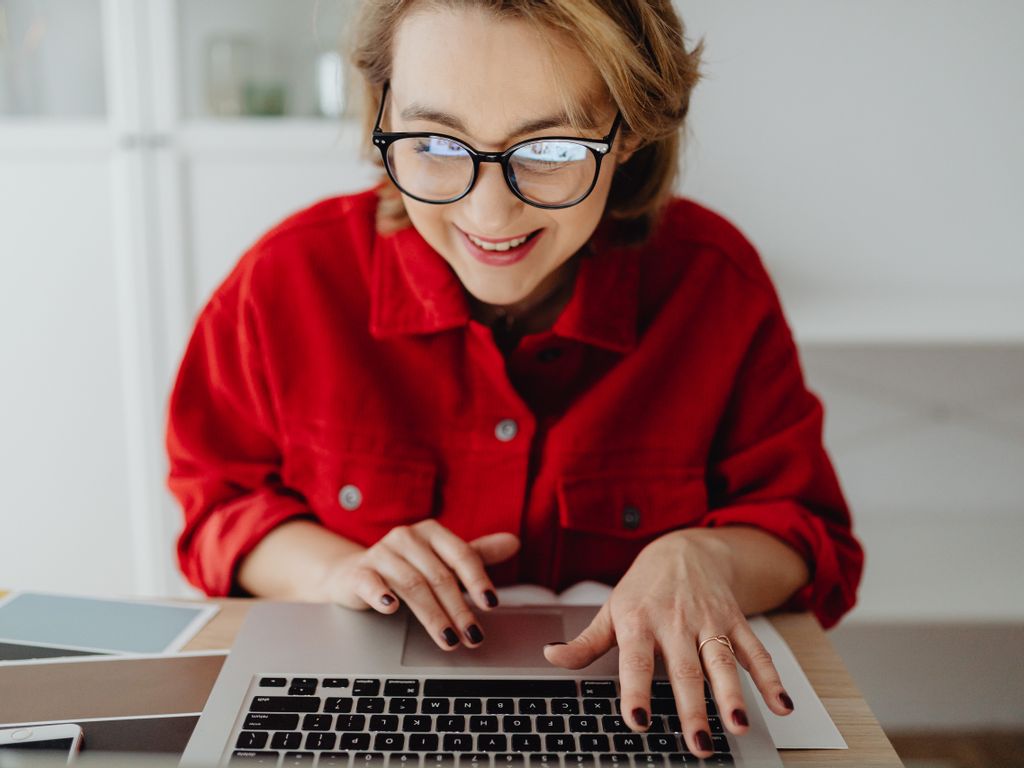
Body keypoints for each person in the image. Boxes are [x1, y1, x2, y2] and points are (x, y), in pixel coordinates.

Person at [167, 0, 863, 758]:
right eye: (435, 141)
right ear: (382, 108)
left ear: (627, 134)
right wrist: (337, 569)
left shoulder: (715, 285)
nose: (487, 210)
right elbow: (218, 508)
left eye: (553, 149)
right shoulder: (285, 281)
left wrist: (709, 558)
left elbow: (811, 536)